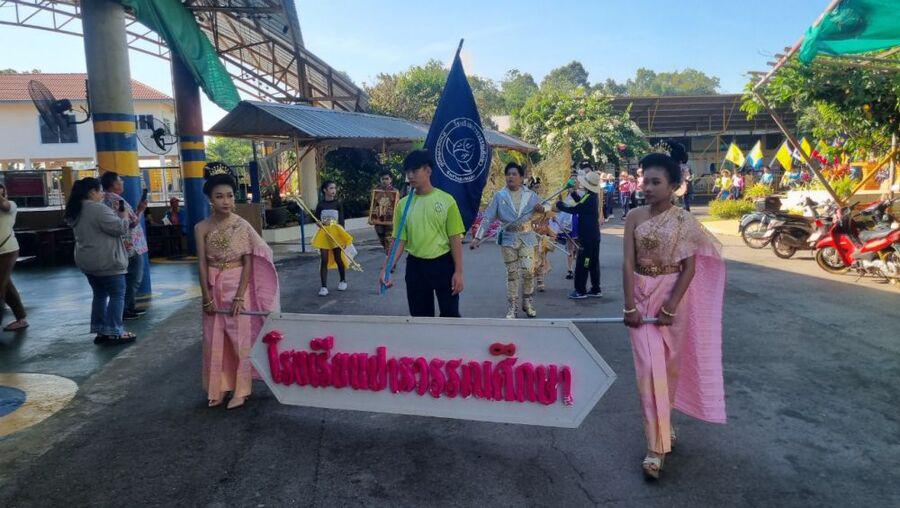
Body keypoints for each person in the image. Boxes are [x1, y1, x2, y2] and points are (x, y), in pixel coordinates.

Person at [622, 147, 726, 479]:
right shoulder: (633, 217)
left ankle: (665, 427)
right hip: (641, 299)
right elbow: (627, 263)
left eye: (656, 182)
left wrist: (670, 306)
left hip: (672, 301)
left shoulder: (684, 221)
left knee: (667, 372)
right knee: (648, 373)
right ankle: (656, 449)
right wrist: (629, 305)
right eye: (645, 181)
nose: (647, 188)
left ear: (673, 186)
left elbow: (689, 268)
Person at [195, 166, 279, 409]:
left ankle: (242, 390)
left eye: (230, 196)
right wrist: (205, 296)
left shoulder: (242, 225)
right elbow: (201, 263)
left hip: (237, 284)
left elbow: (248, 260)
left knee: (239, 339)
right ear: (210, 199)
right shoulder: (201, 227)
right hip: (213, 284)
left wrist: (241, 296)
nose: (226, 201)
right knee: (213, 339)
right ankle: (219, 388)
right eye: (219, 196)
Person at [380, 150, 465, 317]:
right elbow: (399, 240)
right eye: (408, 171)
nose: (410, 175)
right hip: (416, 267)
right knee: (420, 318)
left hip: (443, 264)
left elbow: (454, 239)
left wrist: (458, 272)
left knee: (450, 316)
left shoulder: (447, 201)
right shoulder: (403, 205)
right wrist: (386, 268)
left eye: (415, 170)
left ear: (428, 171)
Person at [65, 178, 135, 345]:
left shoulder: (75, 209)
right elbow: (120, 228)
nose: (102, 194)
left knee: (100, 295)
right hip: (106, 260)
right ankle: (114, 331)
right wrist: (124, 217)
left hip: (87, 261)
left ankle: (101, 330)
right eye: (100, 191)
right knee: (117, 294)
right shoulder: (97, 209)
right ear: (92, 192)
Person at [472, 162, 542, 319]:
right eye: (508, 174)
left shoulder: (531, 195)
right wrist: (477, 237)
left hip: (527, 237)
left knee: (528, 271)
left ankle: (527, 302)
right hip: (508, 238)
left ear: (521, 178)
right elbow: (488, 217)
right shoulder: (499, 196)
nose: (511, 177)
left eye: (514, 174)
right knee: (512, 273)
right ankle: (512, 307)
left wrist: (542, 209)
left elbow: (547, 206)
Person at [100, 171, 148, 320]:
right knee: (134, 277)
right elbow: (132, 222)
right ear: (113, 184)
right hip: (130, 245)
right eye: (120, 180)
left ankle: (129, 306)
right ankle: (124, 309)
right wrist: (140, 210)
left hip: (120, 245)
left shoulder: (105, 199)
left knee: (128, 277)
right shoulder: (116, 200)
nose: (122, 182)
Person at [556, 171, 603, 299]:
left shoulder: (589, 198)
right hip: (593, 235)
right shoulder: (591, 196)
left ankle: (580, 290)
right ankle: (596, 289)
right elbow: (580, 203)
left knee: (583, 262)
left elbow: (575, 209)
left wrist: (560, 205)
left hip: (587, 237)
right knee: (593, 262)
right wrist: (573, 193)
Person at [312, 181, 351, 296]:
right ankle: (324, 287)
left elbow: (341, 221)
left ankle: (342, 280)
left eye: (334, 188)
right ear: (325, 190)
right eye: (331, 188)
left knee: (338, 258)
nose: (334, 190)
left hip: (336, 234)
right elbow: (316, 219)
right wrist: (318, 223)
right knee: (324, 259)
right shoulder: (320, 205)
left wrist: (343, 237)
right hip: (324, 233)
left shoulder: (338, 204)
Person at [0, 184, 27, 331]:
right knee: (6, 285)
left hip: (7, 250)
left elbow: (4, 205)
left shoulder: (11, 205)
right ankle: (21, 319)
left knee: (1, 285)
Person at [371, 172, 397, 255]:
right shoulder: (376, 191)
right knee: (382, 240)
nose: (384, 181)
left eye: (387, 179)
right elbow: (373, 205)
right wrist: (371, 218)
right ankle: (389, 256)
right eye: (383, 179)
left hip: (390, 220)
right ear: (380, 180)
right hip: (379, 220)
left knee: (388, 240)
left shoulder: (395, 191)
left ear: (391, 180)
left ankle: (390, 260)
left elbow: (397, 205)